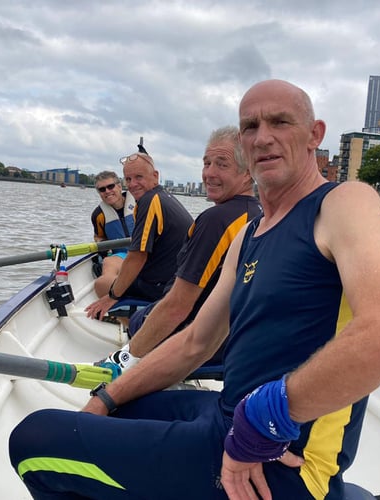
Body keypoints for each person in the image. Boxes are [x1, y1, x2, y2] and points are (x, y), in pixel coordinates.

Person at [10, 79, 380, 500]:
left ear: (315, 135)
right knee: (118, 412)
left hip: (279, 460)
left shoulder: (343, 204)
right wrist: (105, 398)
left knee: (32, 440)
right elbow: (195, 342)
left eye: (280, 121)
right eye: (250, 127)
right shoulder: (248, 236)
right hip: (229, 415)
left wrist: (263, 421)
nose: (263, 137)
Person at [103, 125, 262, 370]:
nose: (209, 173)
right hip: (234, 337)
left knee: (135, 318)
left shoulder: (216, 221)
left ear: (248, 172)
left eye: (222, 164)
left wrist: (124, 359)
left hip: (200, 342)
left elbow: (177, 307)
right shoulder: (257, 213)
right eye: (206, 163)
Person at [84, 147, 192, 320]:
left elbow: (137, 257)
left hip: (164, 286)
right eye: (128, 179)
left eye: (139, 177)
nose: (132, 184)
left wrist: (112, 296)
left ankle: (131, 327)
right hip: (178, 278)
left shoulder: (149, 202)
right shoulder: (164, 197)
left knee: (102, 284)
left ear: (155, 176)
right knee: (112, 267)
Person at [90, 171, 136, 297]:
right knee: (108, 262)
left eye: (111, 186)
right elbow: (99, 237)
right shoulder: (98, 215)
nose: (107, 191)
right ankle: (112, 301)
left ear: (120, 186)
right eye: (102, 189)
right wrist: (101, 244)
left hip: (144, 251)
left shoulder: (139, 203)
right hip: (121, 256)